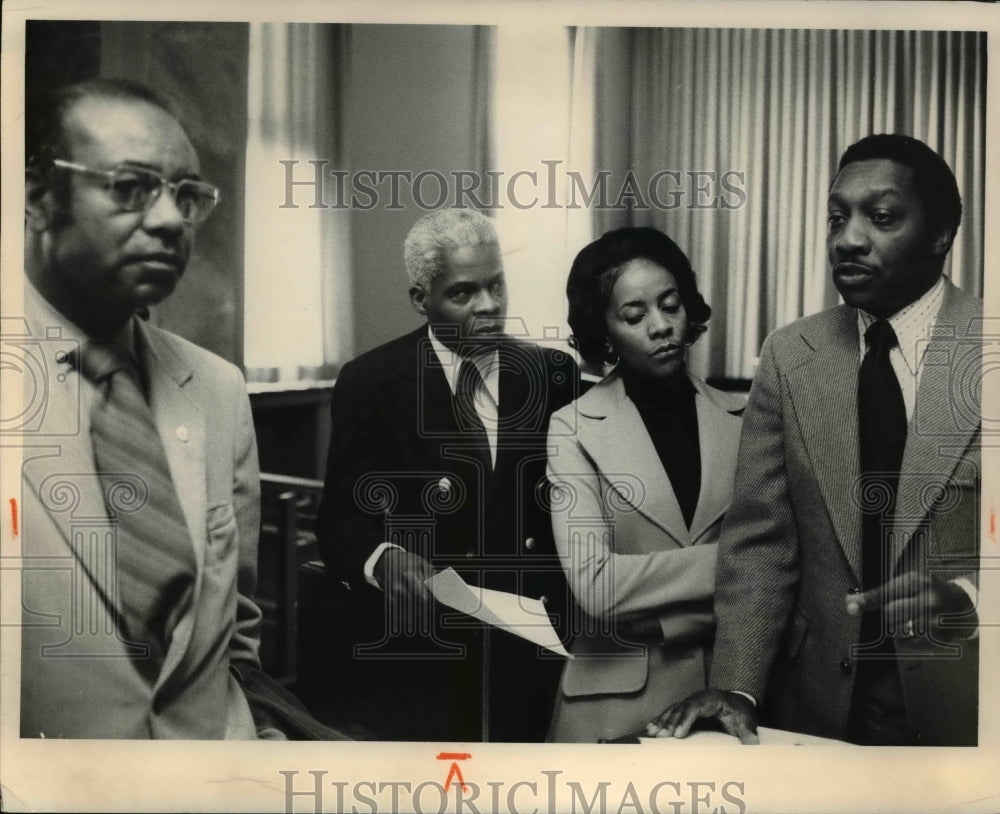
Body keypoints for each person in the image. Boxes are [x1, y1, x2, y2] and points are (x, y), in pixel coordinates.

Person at [648, 134, 981, 746]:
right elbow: (759, 543)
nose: (848, 238)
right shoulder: (789, 354)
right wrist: (738, 685)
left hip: (964, 711)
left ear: (942, 233)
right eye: (836, 217)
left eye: (880, 217)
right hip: (817, 708)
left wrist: (969, 598)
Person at [19, 78, 300, 739]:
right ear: (36, 198)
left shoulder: (216, 388)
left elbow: (235, 627)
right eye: (130, 187)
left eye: (186, 195)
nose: (173, 220)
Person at [315, 209, 578, 741]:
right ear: (421, 299)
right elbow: (340, 518)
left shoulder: (554, 374)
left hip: (536, 649)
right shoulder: (371, 382)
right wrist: (383, 559)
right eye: (463, 293)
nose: (489, 306)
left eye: (496, 284)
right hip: (426, 658)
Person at [544, 227, 744, 742]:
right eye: (634, 317)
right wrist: (740, 558)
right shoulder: (572, 427)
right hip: (611, 708)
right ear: (605, 331)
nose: (661, 327)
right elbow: (596, 584)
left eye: (671, 305)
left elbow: (787, 574)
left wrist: (665, 623)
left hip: (730, 693)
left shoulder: (745, 418)